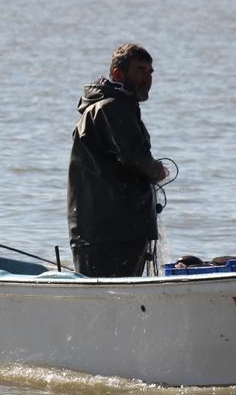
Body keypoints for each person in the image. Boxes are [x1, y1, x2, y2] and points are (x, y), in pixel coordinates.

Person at [67, 44, 167, 277]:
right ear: (118, 75)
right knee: (112, 301)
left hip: (110, 230)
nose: (148, 78)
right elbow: (136, 159)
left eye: (151, 72)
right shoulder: (111, 107)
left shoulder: (119, 106)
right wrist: (157, 170)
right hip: (108, 233)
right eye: (141, 70)